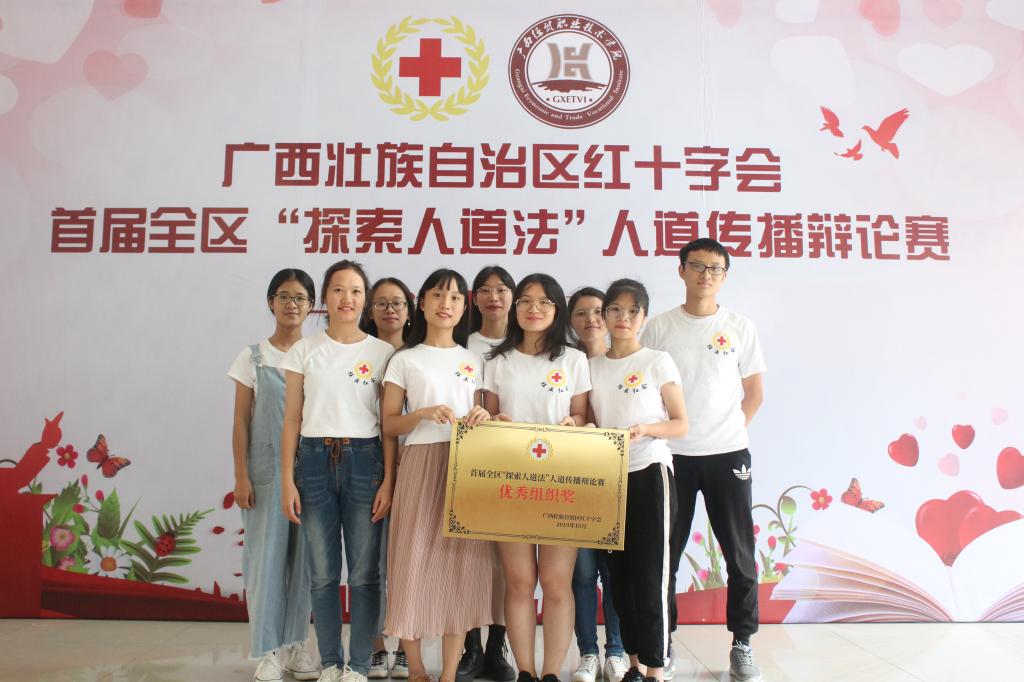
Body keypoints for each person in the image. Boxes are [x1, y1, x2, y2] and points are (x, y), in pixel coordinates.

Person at [641, 239, 766, 682]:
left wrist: (727, 432)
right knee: (665, 556)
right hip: (671, 455)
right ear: (681, 271)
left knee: (739, 553)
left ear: (724, 276)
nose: (705, 275)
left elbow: (755, 393)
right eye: (697, 266)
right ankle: (663, 643)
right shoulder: (658, 328)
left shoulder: (739, 326)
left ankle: (742, 643)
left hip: (727, 454)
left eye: (715, 269)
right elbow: (646, 391)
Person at [280, 260, 396, 682]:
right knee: (323, 573)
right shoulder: (304, 350)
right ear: (324, 298)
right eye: (338, 290)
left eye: (356, 291)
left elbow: (388, 425)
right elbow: (292, 419)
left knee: (365, 575)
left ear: (365, 300)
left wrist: (389, 480)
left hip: (366, 461)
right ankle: (330, 662)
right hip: (312, 461)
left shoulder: (383, 354)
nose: (347, 298)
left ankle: (359, 665)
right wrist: (287, 479)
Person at [380, 269, 494, 682]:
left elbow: (491, 414)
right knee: (411, 561)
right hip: (420, 462)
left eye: (455, 297)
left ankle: (448, 672)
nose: (446, 304)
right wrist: (422, 414)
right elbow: (389, 424)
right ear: (422, 303)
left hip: (467, 466)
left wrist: (483, 415)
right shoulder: (404, 359)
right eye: (438, 295)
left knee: (461, 566)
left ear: (464, 308)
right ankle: (415, 669)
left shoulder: (475, 360)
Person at [482, 274, 590, 682]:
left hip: (562, 480)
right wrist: (494, 420)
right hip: (511, 480)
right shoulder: (497, 360)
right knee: (519, 581)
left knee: (556, 581)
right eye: (525, 301)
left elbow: (583, 415)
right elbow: (489, 416)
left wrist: (574, 421)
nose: (534, 309)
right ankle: (525, 670)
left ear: (557, 309)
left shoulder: (573, 360)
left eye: (544, 302)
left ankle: (551, 672)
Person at [588, 279, 687, 682]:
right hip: (608, 480)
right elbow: (589, 420)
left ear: (643, 317)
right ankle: (632, 664)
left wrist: (646, 429)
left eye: (633, 311)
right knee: (619, 576)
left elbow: (680, 423)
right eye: (615, 309)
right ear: (604, 315)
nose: (623, 318)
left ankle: (656, 669)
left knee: (651, 575)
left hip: (650, 473)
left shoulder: (657, 361)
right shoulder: (591, 366)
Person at [228, 268, 319, 682]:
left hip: (311, 470)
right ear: (271, 302)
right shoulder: (253, 357)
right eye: (284, 296)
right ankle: (267, 652)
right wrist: (241, 476)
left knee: (305, 563)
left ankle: (297, 645)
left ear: (311, 306)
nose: (292, 304)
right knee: (265, 560)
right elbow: (240, 421)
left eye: (300, 298)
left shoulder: (317, 354)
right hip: (264, 473)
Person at [566, 288, 627, 682]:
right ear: (569, 320)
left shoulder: (622, 362)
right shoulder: (565, 362)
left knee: (615, 572)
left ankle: (617, 651)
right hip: (572, 481)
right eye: (581, 313)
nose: (590, 320)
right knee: (582, 574)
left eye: (598, 311)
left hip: (615, 479)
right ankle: (588, 652)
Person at [459, 265, 516, 682]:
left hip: (513, 462)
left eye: (502, 289)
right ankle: (470, 647)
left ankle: (497, 646)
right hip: (465, 461)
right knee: (467, 557)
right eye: (485, 290)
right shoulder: (461, 343)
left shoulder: (525, 342)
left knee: (503, 561)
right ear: (473, 298)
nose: (494, 297)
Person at [361, 278, 416, 680]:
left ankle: (408, 648)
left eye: (397, 303)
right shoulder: (360, 352)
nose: (390, 310)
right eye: (381, 303)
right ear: (370, 310)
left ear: (410, 311)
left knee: (410, 563)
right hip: (367, 466)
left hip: (415, 466)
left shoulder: (420, 354)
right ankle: (378, 647)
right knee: (371, 563)